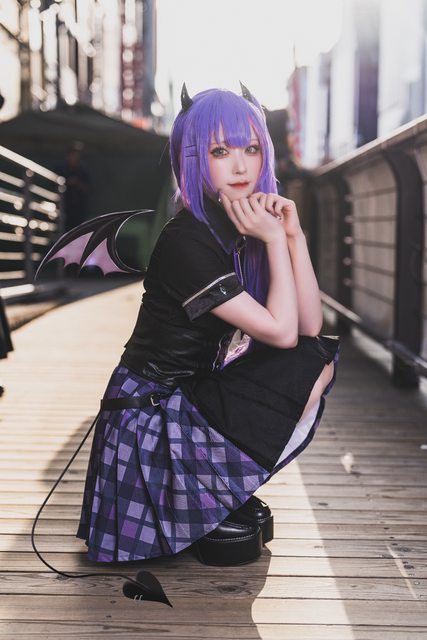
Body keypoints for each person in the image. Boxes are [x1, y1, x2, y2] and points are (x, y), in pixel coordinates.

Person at [76, 85, 339, 567]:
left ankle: (215, 492)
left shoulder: (235, 225)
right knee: (300, 361)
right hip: (148, 420)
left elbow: (307, 327)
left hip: (186, 401)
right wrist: (272, 241)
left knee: (314, 360)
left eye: (251, 149)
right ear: (193, 158)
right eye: (220, 152)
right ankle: (209, 496)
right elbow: (283, 333)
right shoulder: (188, 239)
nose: (240, 166)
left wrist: (292, 235)